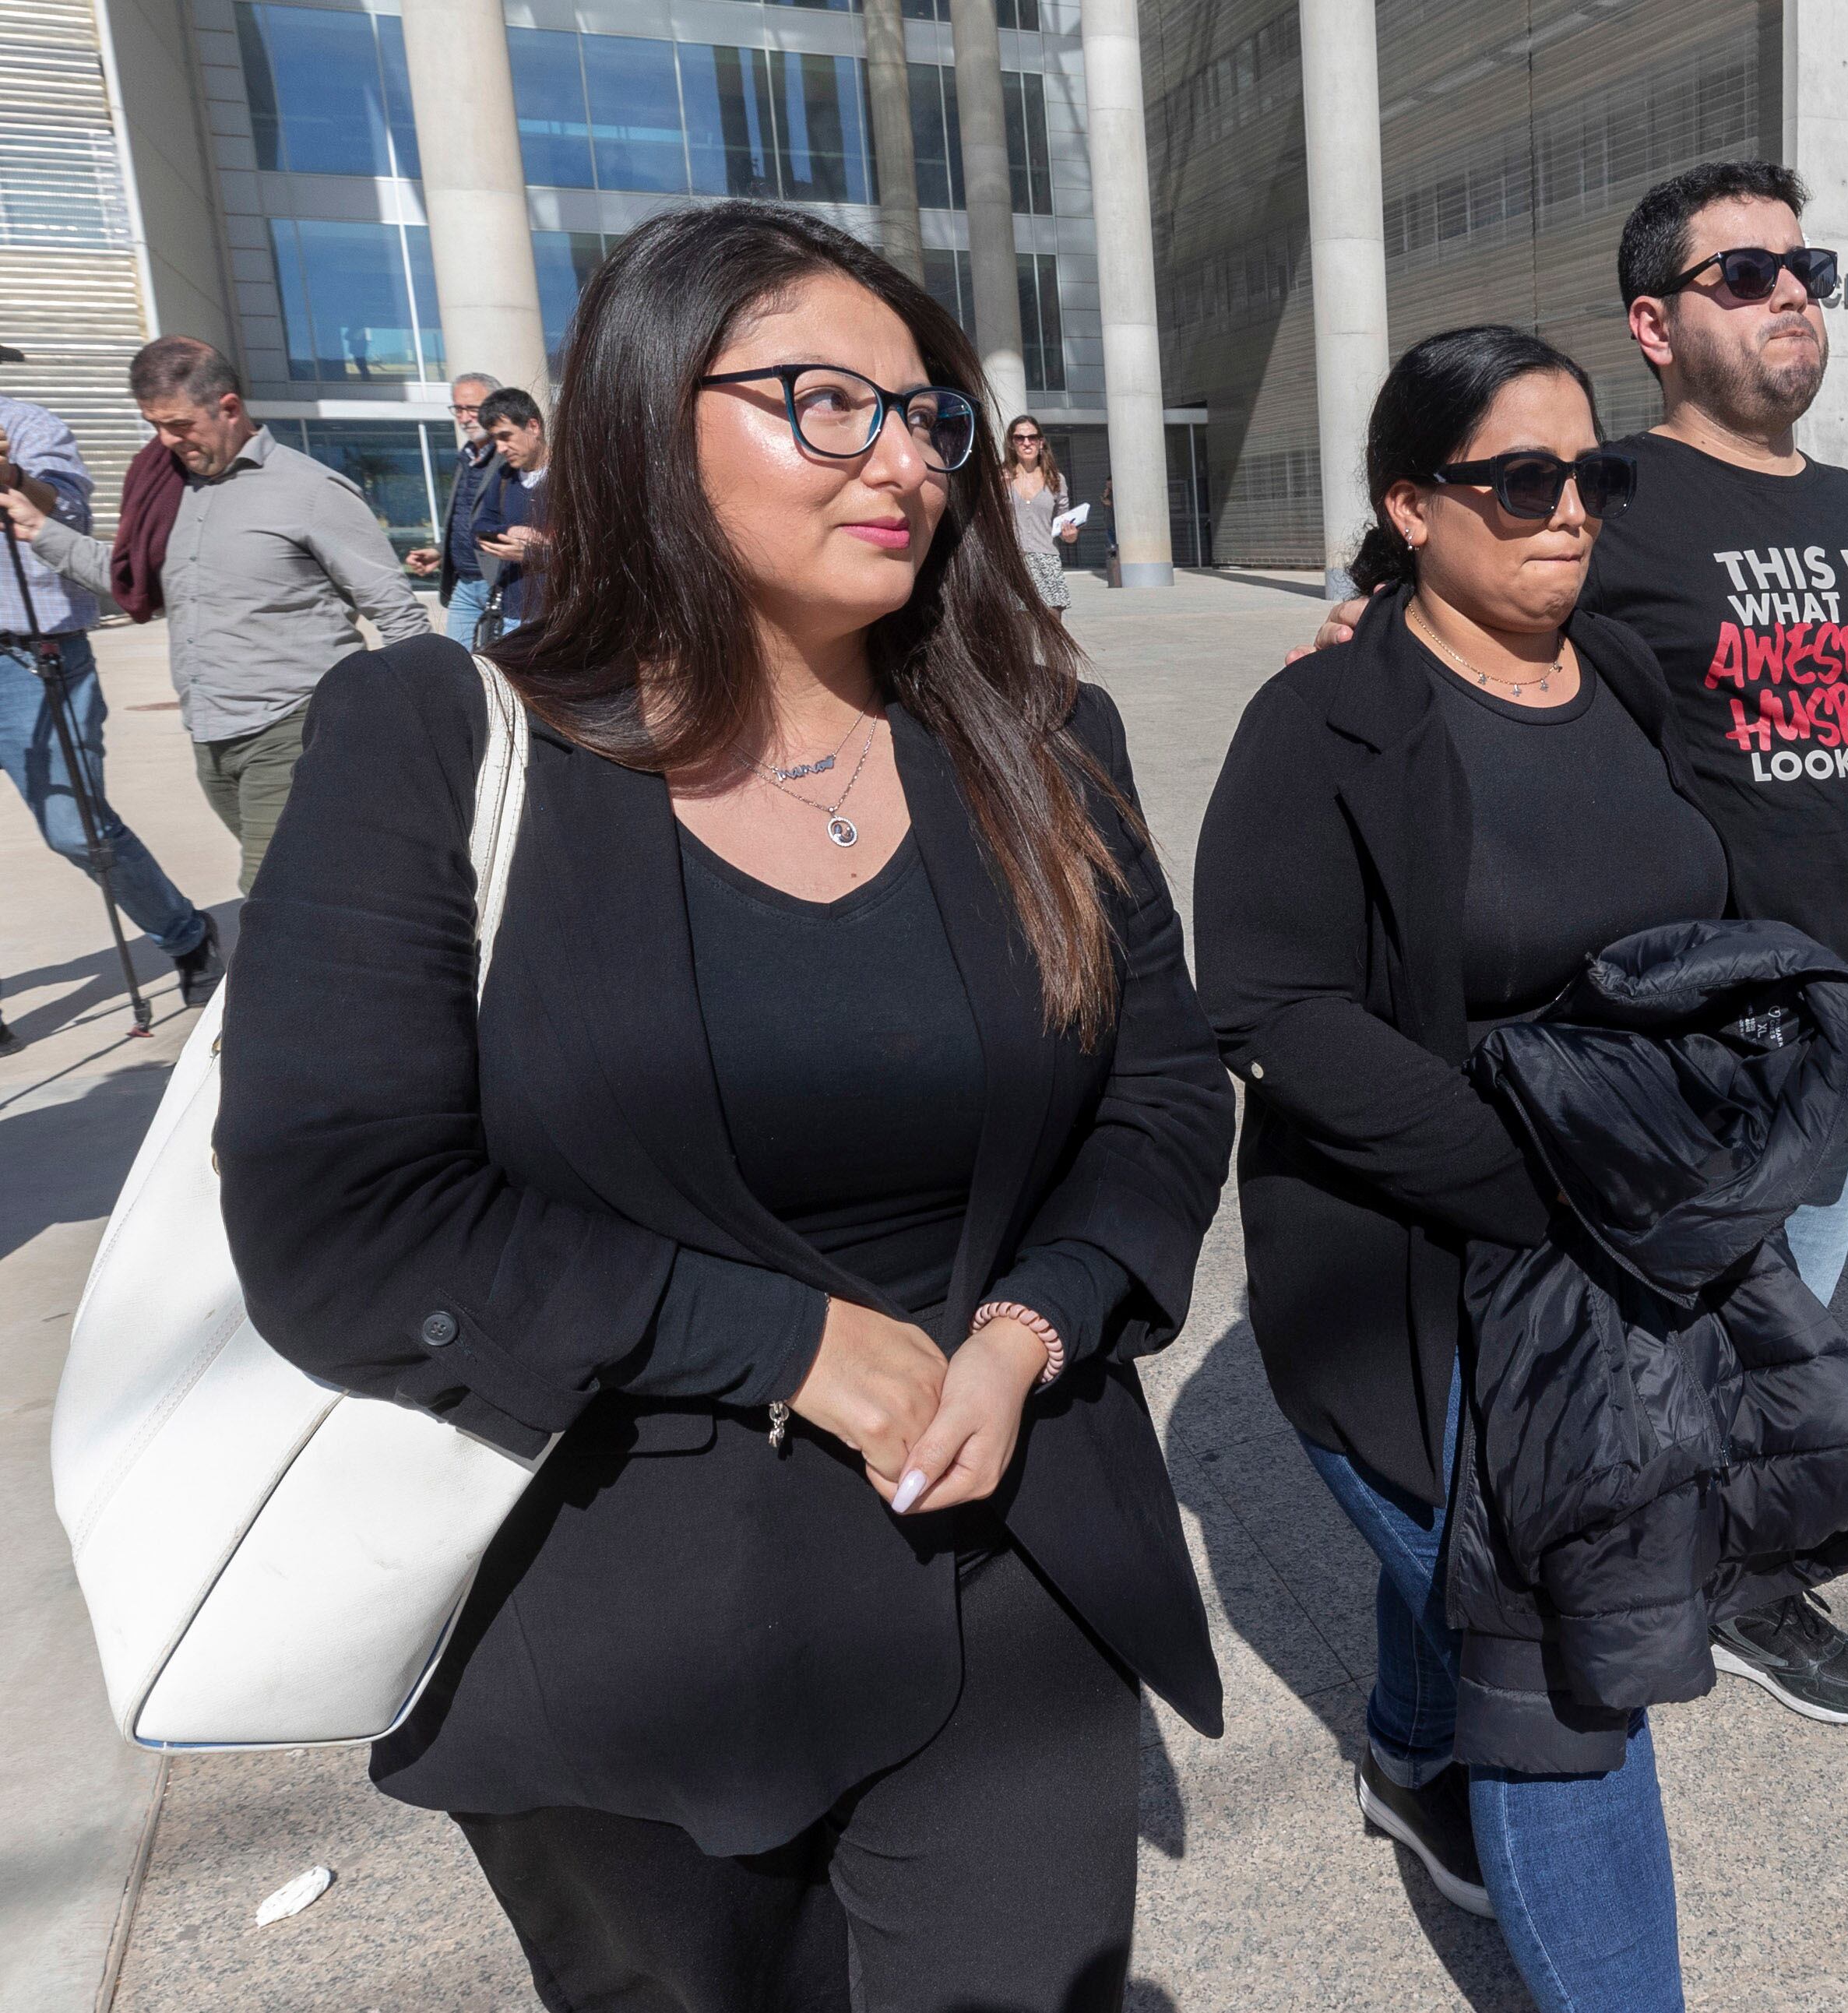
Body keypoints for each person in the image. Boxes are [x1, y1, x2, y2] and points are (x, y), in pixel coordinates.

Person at [212, 200, 1233, 2008]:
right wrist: (781, 1338)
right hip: (615, 1623)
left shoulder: (1037, 733)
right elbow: (340, 1218)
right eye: (822, 401)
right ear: (639, 414)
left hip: (1004, 1548)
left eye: (927, 413)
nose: (901, 457)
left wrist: (1027, 1326)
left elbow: (1155, 1087)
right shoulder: (430, 740)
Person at [1302, 163, 1848, 1724]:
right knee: (1627, 1362)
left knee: (1780, 1333)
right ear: (1654, 324)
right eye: (1741, 275)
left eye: (1803, 263)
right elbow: (1449, 613)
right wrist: (1362, 632)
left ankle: (1742, 1575)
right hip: (1673, 1041)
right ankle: (1507, 1660)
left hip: (1842, 1018)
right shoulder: (1598, 497)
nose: (1790, 290)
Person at [1195, 326, 1728, 2010]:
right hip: (1416, 1270)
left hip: (1617, 1250)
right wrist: (1540, 1172)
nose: (1570, 511)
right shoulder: (1326, 720)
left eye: (1594, 475)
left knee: (1476, 1584)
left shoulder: (1628, 679)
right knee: (1565, 1651)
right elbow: (1270, 1003)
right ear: (1411, 506)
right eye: (1522, 480)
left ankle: (1410, 1758)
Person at [0, 336, 429, 892]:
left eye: (178, 424)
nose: (166, 441)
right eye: (154, 425)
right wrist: (38, 529)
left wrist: (422, 730)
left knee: (273, 896)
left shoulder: (310, 489)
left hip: (298, 727)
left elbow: (398, 613)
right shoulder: (169, 488)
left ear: (228, 407)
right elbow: (133, 581)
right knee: (327, 886)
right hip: (212, 737)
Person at [0, 378, 224, 1044]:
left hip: (28, 653)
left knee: (77, 828)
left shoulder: (30, 423)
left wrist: (9, 474)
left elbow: (60, 512)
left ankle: (185, 935)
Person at [403, 371, 505, 644]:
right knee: (457, 663)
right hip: (464, 583)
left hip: (500, 583)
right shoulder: (467, 457)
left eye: (472, 408)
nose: (463, 417)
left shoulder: (511, 458)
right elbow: (464, 518)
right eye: (458, 409)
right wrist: (439, 551)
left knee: (505, 668)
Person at [469, 386, 551, 641]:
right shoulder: (504, 477)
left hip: (561, 617)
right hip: (512, 616)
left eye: (506, 436)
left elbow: (596, 550)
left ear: (533, 426)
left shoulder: (573, 478)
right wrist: (508, 531)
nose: (501, 448)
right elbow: (479, 528)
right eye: (495, 439)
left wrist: (538, 554)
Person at [1004, 414, 1079, 618]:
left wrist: (1070, 535)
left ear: (1041, 442)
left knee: (1053, 631)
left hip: (1047, 561)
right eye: (1020, 438)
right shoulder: (1001, 477)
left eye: (1032, 438)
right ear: (1012, 443)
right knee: (1019, 635)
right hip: (1013, 562)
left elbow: (1065, 528)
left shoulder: (1055, 479)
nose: (1026, 443)